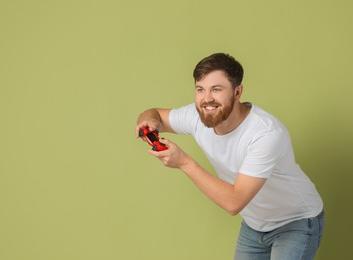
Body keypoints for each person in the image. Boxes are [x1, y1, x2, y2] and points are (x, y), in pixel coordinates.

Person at [135, 53, 324, 260]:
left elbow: (234, 202)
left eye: (216, 89)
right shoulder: (198, 115)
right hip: (255, 224)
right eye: (200, 89)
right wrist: (149, 124)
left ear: (237, 92)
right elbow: (153, 113)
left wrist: (184, 163)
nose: (207, 99)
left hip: (295, 222)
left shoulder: (265, 134)